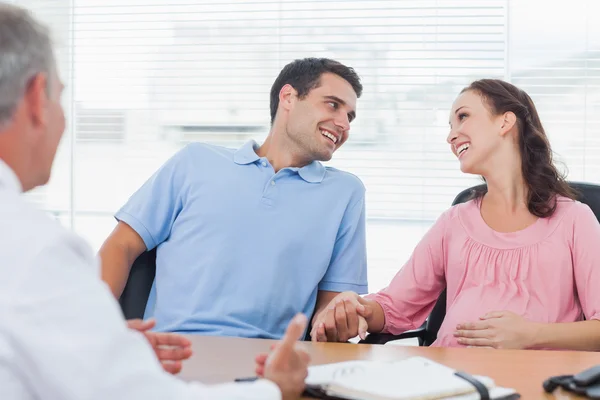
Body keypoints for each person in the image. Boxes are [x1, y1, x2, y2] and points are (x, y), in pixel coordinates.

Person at [0, 4, 309, 399]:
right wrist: (273, 390)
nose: (64, 120)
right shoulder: (34, 250)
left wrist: (101, 343)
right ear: (33, 99)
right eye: (60, 97)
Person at [311, 79, 600, 351]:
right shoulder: (454, 222)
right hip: (447, 376)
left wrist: (530, 335)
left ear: (505, 121)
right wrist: (352, 309)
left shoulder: (575, 219)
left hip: (535, 380)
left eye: (463, 117)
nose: (451, 135)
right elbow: (395, 306)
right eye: (450, 125)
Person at [99, 57, 368, 339]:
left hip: (270, 364)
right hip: (173, 353)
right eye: (333, 105)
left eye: (349, 117)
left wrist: (339, 321)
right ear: (288, 97)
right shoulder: (195, 162)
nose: (343, 124)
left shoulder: (345, 193)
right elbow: (122, 245)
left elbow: (332, 310)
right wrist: (97, 332)